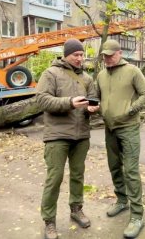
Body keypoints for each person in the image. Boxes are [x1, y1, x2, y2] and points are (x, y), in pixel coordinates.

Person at [36, 38, 100, 239]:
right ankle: (49, 221)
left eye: (82, 55)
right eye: (76, 55)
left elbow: (94, 100)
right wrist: (70, 102)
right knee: (54, 179)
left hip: (81, 135)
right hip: (57, 135)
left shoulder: (87, 79)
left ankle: (76, 210)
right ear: (66, 55)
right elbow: (42, 100)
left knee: (78, 175)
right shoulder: (51, 74)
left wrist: (93, 109)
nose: (80, 58)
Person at [96, 39, 145, 239]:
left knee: (130, 171)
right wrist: (98, 108)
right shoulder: (101, 74)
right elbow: (98, 97)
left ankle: (137, 216)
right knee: (114, 166)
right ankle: (122, 200)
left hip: (128, 128)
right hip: (109, 128)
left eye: (111, 55)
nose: (107, 58)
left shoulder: (132, 71)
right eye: (105, 55)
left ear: (120, 53)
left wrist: (130, 110)